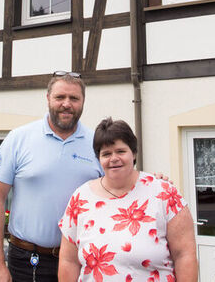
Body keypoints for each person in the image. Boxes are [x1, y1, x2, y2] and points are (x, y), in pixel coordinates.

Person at [0, 71, 103, 282]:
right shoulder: (19, 138)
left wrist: (155, 183)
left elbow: (121, 186)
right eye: (60, 97)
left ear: (83, 102)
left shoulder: (98, 143)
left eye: (74, 98)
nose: (67, 104)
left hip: (82, 260)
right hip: (25, 260)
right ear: (48, 98)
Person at [58, 118, 198, 282]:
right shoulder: (80, 198)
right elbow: (69, 261)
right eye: (106, 154)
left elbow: (185, 255)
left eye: (120, 151)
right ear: (99, 158)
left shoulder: (164, 193)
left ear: (134, 153)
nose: (114, 158)